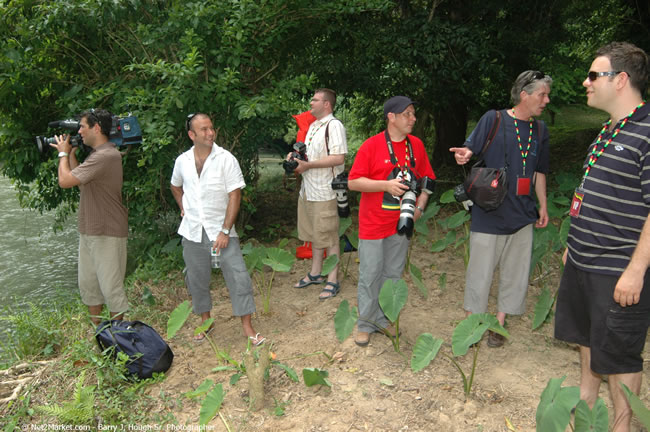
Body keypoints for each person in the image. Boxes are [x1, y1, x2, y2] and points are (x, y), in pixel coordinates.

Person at [554, 42, 650, 432]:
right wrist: (572, 246)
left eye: (594, 75)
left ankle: (621, 427)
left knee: (620, 357)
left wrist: (636, 270)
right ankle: (587, 410)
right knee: (587, 340)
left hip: (617, 269)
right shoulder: (611, 129)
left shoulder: (647, 132)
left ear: (621, 79)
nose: (586, 82)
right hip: (582, 261)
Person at [449, 70, 551, 348]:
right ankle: (472, 324)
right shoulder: (493, 119)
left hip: (522, 212)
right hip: (490, 210)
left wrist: (542, 205)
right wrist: (465, 154)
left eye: (547, 95)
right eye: (542, 94)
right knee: (480, 271)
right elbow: (470, 149)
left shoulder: (540, 130)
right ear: (524, 95)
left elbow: (539, 173)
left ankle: (499, 324)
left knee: (515, 273)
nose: (547, 100)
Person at [348, 96, 435, 346]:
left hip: (401, 225)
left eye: (413, 114)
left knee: (393, 275)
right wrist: (385, 185)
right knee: (370, 274)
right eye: (407, 114)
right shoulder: (372, 146)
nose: (413, 118)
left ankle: (384, 321)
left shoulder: (416, 145)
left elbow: (428, 180)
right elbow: (353, 181)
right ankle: (365, 323)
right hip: (373, 224)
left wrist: (419, 206)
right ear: (391, 117)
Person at [171, 113, 264, 345]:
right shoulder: (182, 160)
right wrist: (183, 207)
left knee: (238, 276)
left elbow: (235, 195)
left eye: (211, 128)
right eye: (203, 130)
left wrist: (225, 230)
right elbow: (175, 185)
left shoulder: (226, 159)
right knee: (197, 279)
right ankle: (206, 322)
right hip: (193, 231)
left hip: (221, 232)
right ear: (192, 135)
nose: (210, 133)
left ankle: (247, 327)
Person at [50, 109, 129, 326]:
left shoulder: (107, 155)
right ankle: (100, 336)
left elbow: (65, 181)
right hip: (90, 229)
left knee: (111, 288)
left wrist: (62, 154)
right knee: (90, 287)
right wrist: (72, 154)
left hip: (107, 230)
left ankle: (117, 337)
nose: (79, 131)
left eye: (83, 126)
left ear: (96, 127)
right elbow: (79, 179)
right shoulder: (97, 155)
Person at [289, 88, 348, 300]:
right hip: (308, 191)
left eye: (315, 100)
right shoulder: (313, 126)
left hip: (325, 192)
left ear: (327, 104)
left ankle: (333, 278)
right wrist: (295, 158)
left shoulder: (334, 126)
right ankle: (315, 273)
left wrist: (309, 165)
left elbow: (338, 158)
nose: (310, 103)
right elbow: (308, 156)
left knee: (329, 236)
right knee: (315, 235)